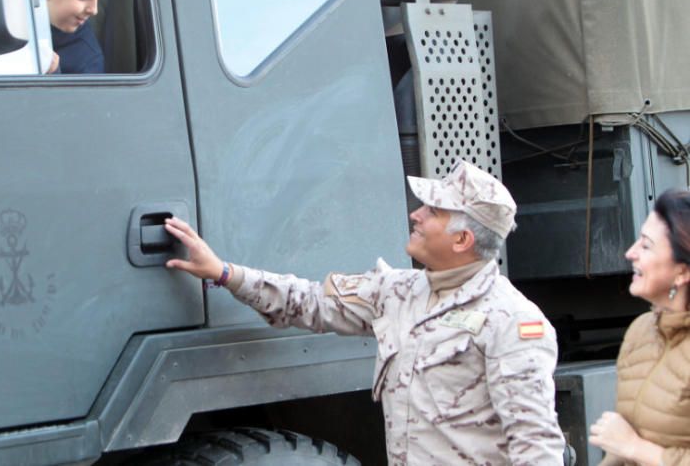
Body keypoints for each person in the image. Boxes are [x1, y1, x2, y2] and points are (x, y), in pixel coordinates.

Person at [165, 159, 566, 465]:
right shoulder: (399, 291)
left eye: (433, 211)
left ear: (461, 239)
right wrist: (223, 272)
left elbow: (535, 443)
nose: (416, 215)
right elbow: (308, 303)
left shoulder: (512, 321)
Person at [589, 189, 690, 465]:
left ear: (682, 272)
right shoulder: (640, 330)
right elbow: (619, 448)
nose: (630, 253)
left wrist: (636, 448)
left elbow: (627, 444)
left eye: (646, 245)